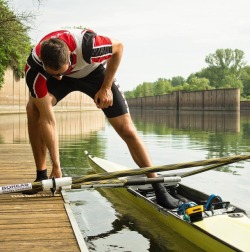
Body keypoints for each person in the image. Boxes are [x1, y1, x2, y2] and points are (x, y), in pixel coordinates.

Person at [24, 28, 181, 208]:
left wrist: (106, 87)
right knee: (33, 110)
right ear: (43, 64)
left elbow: (119, 48)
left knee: (127, 129)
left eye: (61, 71)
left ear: (70, 57)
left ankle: (158, 186)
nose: (59, 77)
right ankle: (41, 176)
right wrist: (57, 166)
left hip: (93, 74)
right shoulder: (34, 70)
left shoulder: (89, 46)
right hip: (56, 73)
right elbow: (48, 120)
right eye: (54, 74)